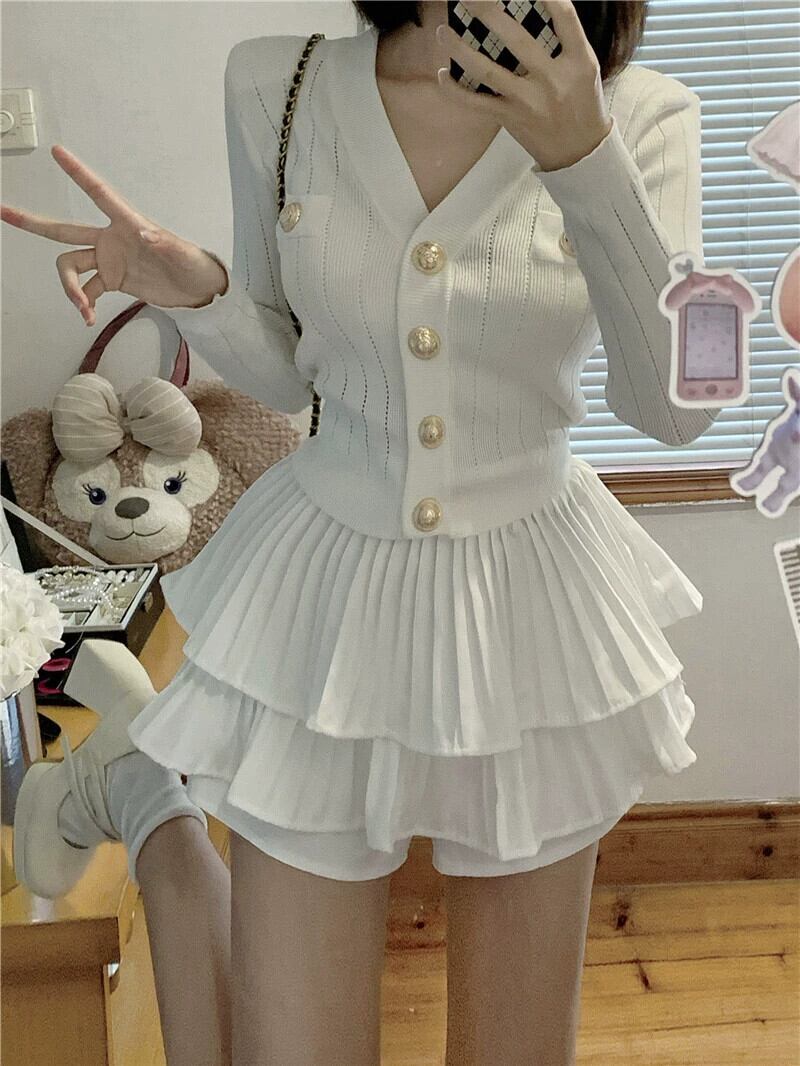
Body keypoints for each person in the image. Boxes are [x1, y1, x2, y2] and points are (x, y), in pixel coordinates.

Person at [3, 2, 717, 1063]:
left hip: (531, 606)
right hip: (323, 591)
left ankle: (139, 788)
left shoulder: (644, 114)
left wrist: (584, 158)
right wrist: (199, 292)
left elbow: (680, 407)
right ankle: (151, 804)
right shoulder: (278, 86)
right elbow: (290, 371)